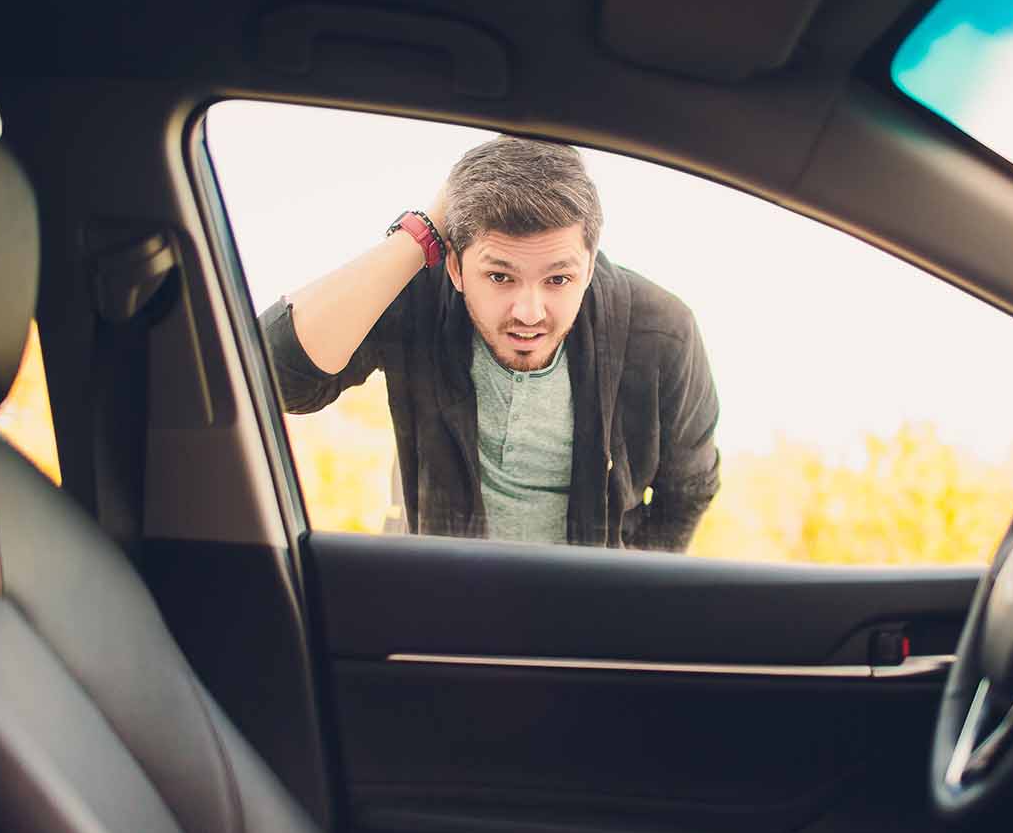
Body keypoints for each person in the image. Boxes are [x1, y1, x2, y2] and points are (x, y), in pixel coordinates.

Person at [259, 135, 721, 551]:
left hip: (587, 618)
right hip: (437, 602)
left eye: (559, 278)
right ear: (456, 268)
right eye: (500, 276)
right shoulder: (420, 294)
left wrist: (623, 596)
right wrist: (421, 231)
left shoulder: (663, 331)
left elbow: (688, 490)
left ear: (589, 266)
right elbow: (275, 379)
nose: (529, 312)